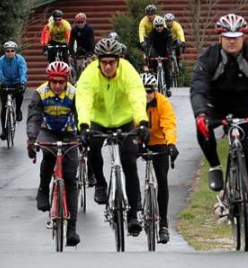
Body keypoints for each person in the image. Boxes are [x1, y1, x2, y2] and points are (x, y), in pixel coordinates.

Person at [189, 13, 248, 237]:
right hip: (215, 105)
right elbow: (198, 88)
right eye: (227, 36)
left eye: (236, 36)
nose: (232, 40)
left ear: (243, 36)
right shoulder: (209, 57)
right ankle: (215, 166)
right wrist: (200, 114)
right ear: (220, 37)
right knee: (202, 127)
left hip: (245, 107)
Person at [75, 37, 150, 237]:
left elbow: (136, 97)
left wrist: (142, 121)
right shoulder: (89, 74)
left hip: (124, 119)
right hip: (97, 119)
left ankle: (133, 215)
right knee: (92, 144)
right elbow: (83, 100)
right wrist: (83, 125)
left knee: (129, 163)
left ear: (119, 60)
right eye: (104, 62)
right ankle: (100, 182)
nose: (108, 66)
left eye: (112, 62)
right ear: (98, 61)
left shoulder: (128, 72)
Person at [27, 61, 81, 247]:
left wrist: (84, 137)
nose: (57, 86)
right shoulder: (40, 93)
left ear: (66, 80)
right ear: (49, 80)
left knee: (70, 178)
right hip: (48, 130)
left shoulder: (74, 93)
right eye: (54, 82)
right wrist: (31, 140)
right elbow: (34, 118)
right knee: (48, 155)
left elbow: (81, 115)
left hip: (68, 132)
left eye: (61, 82)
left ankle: (72, 228)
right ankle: (43, 189)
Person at [140, 73, 179, 244]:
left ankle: (163, 223)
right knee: (127, 166)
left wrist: (171, 144)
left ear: (154, 91)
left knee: (162, 179)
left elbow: (169, 124)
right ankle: (132, 210)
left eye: (149, 91)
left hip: (159, 141)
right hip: (139, 139)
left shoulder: (162, 102)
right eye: (143, 91)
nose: (146, 94)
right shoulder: (134, 102)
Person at [0, 40, 27, 141]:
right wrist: (2, 82)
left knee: (19, 94)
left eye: (12, 50)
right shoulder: (0, 61)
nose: (10, 52)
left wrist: (22, 82)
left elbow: (23, 71)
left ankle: (18, 111)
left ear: (15, 51)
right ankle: (4, 130)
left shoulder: (20, 59)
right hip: (4, 84)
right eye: (8, 51)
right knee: (4, 107)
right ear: (5, 52)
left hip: (17, 82)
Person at [141, 15, 174, 96]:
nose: (159, 27)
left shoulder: (167, 32)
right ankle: (155, 84)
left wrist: (170, 54)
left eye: (161, 26)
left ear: (163, 25)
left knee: (166, 70)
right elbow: (149, 45)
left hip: (164, 51)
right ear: (154, 26)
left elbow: (170, 45)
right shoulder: (152, 33)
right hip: (155, 51)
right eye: (157, 26)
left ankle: (168, 88)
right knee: (154, 69)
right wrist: (147, 55)